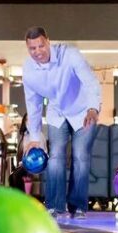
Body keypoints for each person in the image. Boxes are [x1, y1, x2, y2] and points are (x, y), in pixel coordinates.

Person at [22, 26, 101, 220]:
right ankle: (54, 206)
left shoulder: (70, 55)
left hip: (84, 111)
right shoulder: (29, 70)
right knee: (55, 156)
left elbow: (91, 82)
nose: (38, 52)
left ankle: (78, 206)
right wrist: (34, 136)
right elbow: (33, 105)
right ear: (27, 48)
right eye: (32, 48)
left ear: (48, 41)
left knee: (80, 156)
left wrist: (93, 108)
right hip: (57, 112)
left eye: (41, 46)